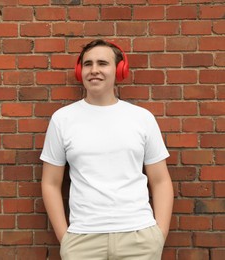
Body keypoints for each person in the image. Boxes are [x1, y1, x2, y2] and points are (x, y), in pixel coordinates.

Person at [40, 39, 174, 260]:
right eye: (87, 64)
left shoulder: (141, 118)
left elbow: (160, 181)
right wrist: (66, 240)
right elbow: (50, 183)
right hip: (83, 240)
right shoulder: (63, 119)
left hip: (139, 237)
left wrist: (159, 235)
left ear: (119, 70)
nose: (94, 70)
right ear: (79, 71)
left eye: (103, 63)